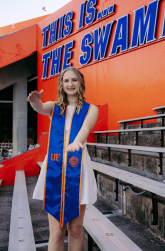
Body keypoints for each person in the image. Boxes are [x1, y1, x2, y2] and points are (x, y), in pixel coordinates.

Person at [27, 67, 99, 251]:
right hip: (55, 168)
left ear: (81, 82)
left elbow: (85, 129)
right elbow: (41, 108)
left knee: (75, 230)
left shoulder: (91, 109)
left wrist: (77, 142)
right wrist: (35, 102)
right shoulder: (55, 107)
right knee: (57, 232)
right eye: (66, 81)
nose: (70, 84)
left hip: (78, 167)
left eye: (74, 80)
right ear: (61, 84)